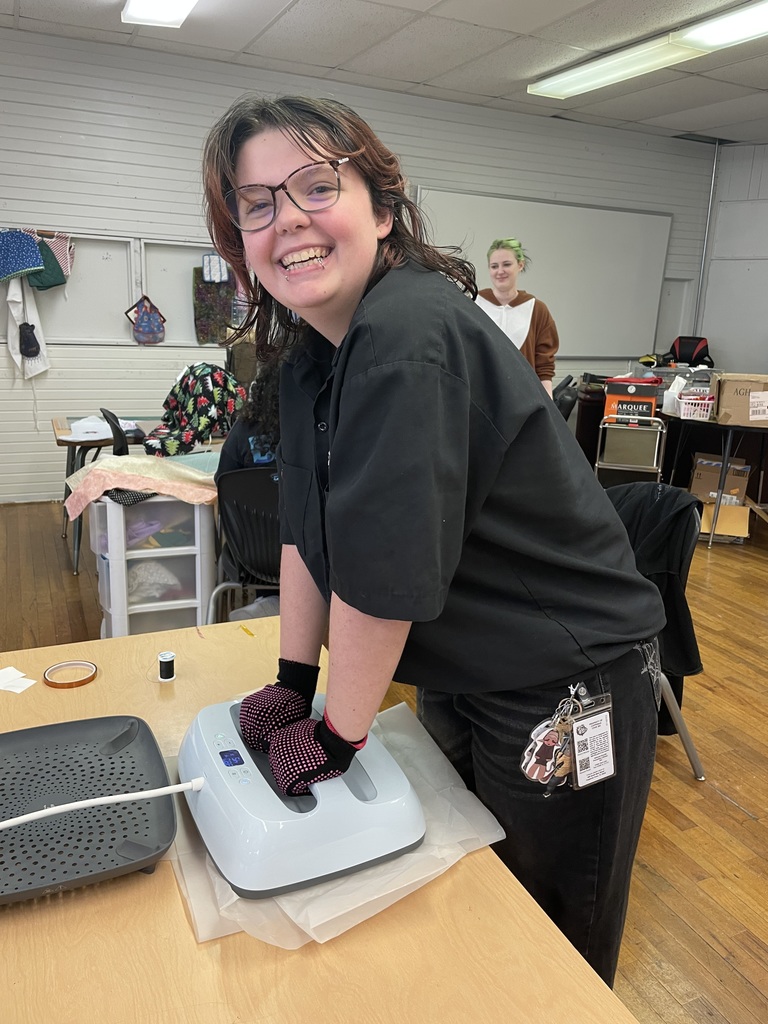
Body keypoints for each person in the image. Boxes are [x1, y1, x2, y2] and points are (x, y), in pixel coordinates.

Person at [201, 94, 666, 987]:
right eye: (256, 205)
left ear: (381, 209)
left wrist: (337, 734)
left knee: (546, 947)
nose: (286, 219)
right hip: (461, 665)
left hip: (568, 680)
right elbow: (304, 529)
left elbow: (382, 567)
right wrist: (297, 683)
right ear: (239, 245)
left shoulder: (407, 335)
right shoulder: (308, 358)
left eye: (313, 186)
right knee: (460, 909)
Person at [476, 238, 559, 396]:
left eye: (507, 264)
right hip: (481, 399)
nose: (500, 271)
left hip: (523, 398)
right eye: (494, 266)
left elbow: (544, 366)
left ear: (520, 265)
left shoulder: (537, 309)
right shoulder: (474, 304)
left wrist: (549, 406)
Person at [214, 363, 280, 481]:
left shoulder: (243, 428)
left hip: (250, 498)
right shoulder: (306, 429)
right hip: (294, 498)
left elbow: (222, 479)